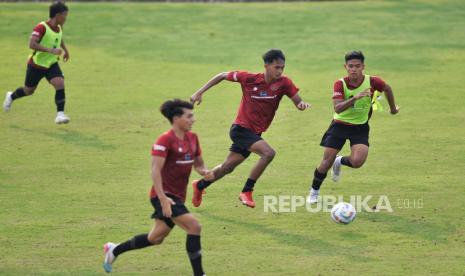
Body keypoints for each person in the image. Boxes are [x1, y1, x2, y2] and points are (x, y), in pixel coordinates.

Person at [103, 99, 213, 275]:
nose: (193, 119)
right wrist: (163, 199)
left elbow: (198, 164)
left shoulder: (193, 138)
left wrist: (205, 172)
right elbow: (155, 170)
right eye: (189, 116)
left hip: (177, 196)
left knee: (155, 238)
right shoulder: (165, 140)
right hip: (163, 196)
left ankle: (114, 250)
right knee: (194, 226)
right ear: (176, 118)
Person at [190, 49, 311, 208]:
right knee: (268, 153)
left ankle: (200, 185)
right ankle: (247, 191)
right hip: (240, 130)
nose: (280, 71)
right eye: (276, 67)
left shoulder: (284, 83)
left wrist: (301, 105)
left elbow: (298, 102)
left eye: (282, 67)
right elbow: (221, 75)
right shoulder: (249, 79)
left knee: (227, 167)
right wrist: (199, 92)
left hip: (254, 133)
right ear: (266, 66)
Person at [306, 51, 400, 204]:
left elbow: (388, 89)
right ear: (345, 67)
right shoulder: (340, 84)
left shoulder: (373, 81)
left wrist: (393, 109)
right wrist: (355, 98)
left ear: (363, 66)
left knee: (357, 162)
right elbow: (337, 108)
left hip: (360, 128)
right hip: (339, 126)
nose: (354, 69)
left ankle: (340, 161)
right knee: (325, 162)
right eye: (350, 66)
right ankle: (314, 191)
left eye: (357, 66)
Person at [3, 1, 71, 124]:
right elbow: (32, 44)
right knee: (29, 90)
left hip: (51, 63)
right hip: (36, 64)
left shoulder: (59, 27)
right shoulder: (41, 27)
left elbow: (59, 37)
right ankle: (11, 96)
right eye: (65, 15)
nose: (66, 18)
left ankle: (60, 115)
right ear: (57, 15)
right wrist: (51, 50)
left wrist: (66, 50)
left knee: (60, 83)